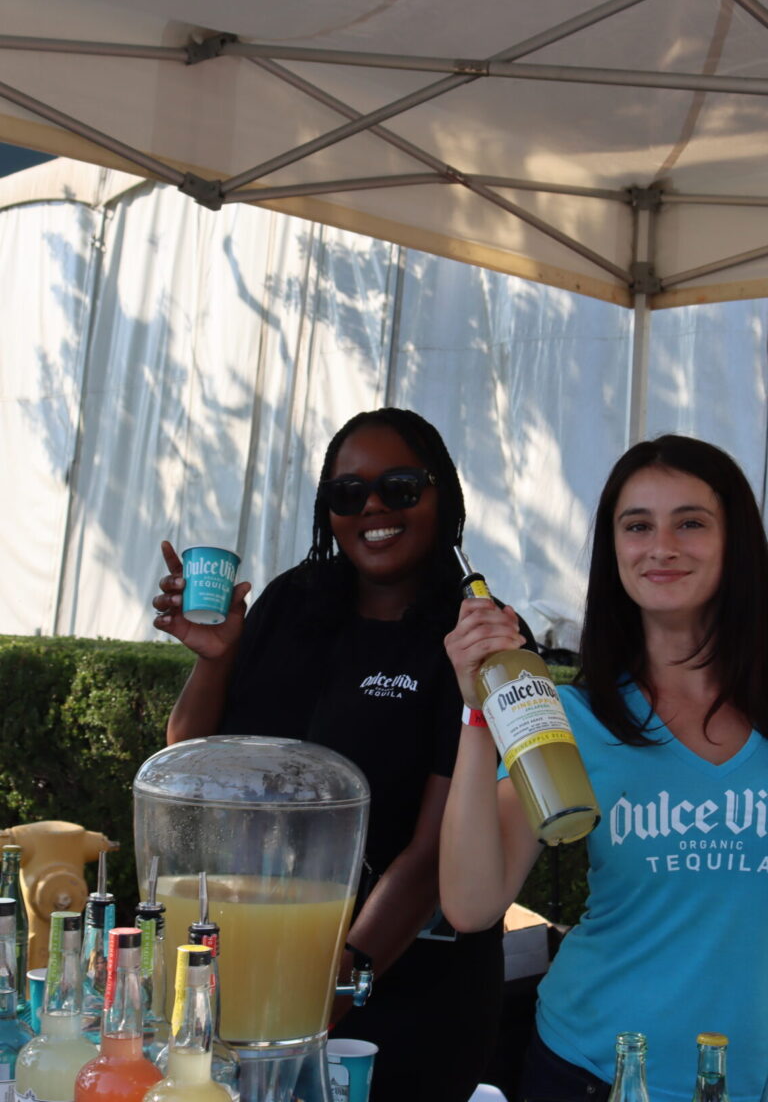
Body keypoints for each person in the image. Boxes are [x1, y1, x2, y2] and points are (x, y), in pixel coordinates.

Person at [153, 407, 537, 1102]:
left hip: (405, 991)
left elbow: (430, 855)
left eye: (400, 487)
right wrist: (216, 659)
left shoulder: (481, 632)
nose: (374, 508)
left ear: (443, 497)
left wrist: (327, 987)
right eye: (348, 494)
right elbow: (191, 763)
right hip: (254, 968)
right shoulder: (290, 603)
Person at [440, 434, 768, 1102]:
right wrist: (478, 715)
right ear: (612, 549)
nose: (662, 546)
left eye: (692, 523)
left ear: (736, 540)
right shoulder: (568, 716)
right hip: (598, 1072)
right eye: (637, 525)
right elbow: (473, 903)